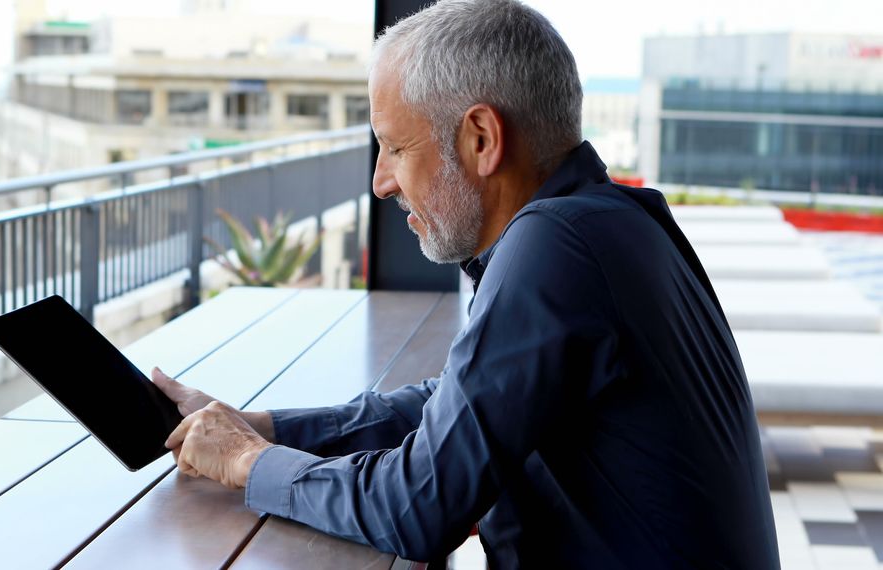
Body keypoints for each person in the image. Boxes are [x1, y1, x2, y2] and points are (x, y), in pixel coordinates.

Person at [153, 0, 781, 567]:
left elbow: (417, 508)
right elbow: (456, 406)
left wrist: (245, 462)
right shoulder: (611, 223)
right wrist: (265, 428)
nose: (381, 182)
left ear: (481, 139)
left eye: (395, 148)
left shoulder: (558, 245)